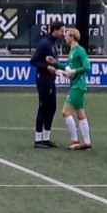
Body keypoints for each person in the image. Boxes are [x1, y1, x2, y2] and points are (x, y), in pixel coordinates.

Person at [30, 20, 64, 148]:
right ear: (54, 30)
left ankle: (46, 137)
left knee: (52, 107)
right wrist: (46, 67)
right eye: (61, 31)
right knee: (43, 107)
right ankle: (38, 139)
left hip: (50, 79)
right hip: (43, 78)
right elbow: (33, 61)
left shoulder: (53, 44)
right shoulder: (45, 43)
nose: (63, 33)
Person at [59, 27, 92, 150]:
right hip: (75, 84)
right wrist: (55, 64)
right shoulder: (72, 51)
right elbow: (68, 67)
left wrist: (74, 71)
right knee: (80, 114)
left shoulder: (80, 50)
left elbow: (87, 66)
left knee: (65, 112)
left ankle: (74, 139)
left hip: (79, 85)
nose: (65, 37)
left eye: (66, 35)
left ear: (72, 36)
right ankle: (87, 142)